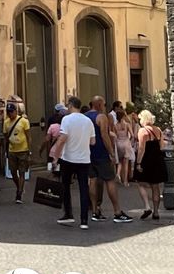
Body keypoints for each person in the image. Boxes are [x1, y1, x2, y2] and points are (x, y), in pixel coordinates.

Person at [85, 96, 131, 223]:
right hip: (101, 153)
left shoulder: (85, 117)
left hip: (88, 153)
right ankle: (117, 212)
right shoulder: (101, 117)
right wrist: (111, 153)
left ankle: (95, 211)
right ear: (99, 105)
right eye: (104, 104)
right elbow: (104, 135)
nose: (105, 107)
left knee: (93, 180)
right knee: (110, 180)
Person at [53, 96, 95, 229]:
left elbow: (62, 139)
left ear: (71, 105)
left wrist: (55, 157)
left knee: (66, 186)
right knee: (84, 188)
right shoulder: (88, 121)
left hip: (68, 158)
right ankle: (84, 220)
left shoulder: (67, 119)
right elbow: (93, 141)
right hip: (84, 159)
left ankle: (68, 214)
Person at [134, 109, 166, 220]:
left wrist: (138, 163)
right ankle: (156, 212)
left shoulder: (142, 131)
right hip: (157, 160)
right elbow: (162, 146)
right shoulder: (158, 130)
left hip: (146, 159)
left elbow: (141, 148)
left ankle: (147, 206)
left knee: (140, 183)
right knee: (155, 186)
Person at [3, 101, 31, 204]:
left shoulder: (24, 121)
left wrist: (29, 150)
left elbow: (28, 136)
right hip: (12, 150)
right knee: (13, 172)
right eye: (8, 112)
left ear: (16, 111)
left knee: (22, 172)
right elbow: (5, 137)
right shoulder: (6, 123)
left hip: (23, 150)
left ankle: (19, 194)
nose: (10, 114)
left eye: (11, 111)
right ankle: (19, 187)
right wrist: (5, 150)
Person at [39, 104, 67, 172]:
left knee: (54, 170)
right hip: (65, 152)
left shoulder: (52, 125)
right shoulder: (67, 126)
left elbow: (47, 139)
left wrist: (42, 149)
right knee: (64, 171)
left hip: (54, 150)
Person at [112, 102, 135, 186]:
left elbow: (114, 135)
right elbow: (132, 135)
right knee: (126, 163)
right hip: (126, 142)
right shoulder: (127, 125)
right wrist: (130, 141)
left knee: (120, 161)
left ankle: (118, 174)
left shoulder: (115, 125)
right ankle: (125, 181)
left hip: (118, 143)